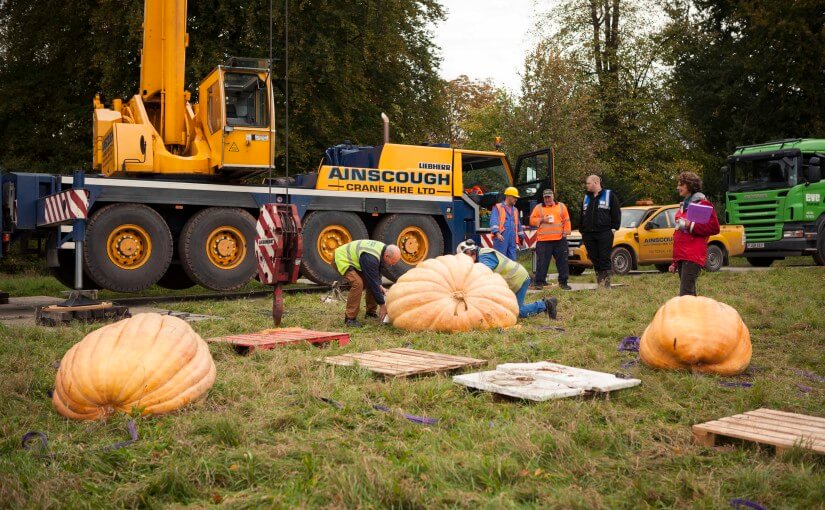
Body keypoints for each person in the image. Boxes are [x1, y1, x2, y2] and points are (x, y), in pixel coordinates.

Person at [456, 239, 557, 320]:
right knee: (504, 309)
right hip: (514, 280)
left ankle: (546, 304)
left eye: (465, 258)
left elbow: (483, 274)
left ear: (469, 252)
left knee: (517, 312)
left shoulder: (484, 256)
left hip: (518, 279)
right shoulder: (481, 255)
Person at [669, 172, 720, 296]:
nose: (678, 187)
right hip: (683, 255)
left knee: (686, 295)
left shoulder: (702, 204)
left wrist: (689, 225)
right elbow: (680, 235)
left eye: (681, 184)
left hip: (692, 256)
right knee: (689, 295)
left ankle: (690, 316)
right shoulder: (684, 205)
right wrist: (675, 262)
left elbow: (714, 228)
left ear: (690, 186)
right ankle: (697, 315)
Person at [333, 240, 401, 327]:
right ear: (387, 256)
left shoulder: (384, 250)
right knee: (358, 284)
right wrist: (383, 305)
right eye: (393, 261)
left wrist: (380, 285)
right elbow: (373, 281)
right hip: (341, 258)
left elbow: (376, 273)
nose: (393, 264)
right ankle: (350, 319)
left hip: (354, 261)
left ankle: (370, 313)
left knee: (373, 284)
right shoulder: (371, 258)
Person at [581, 175, 621, 288]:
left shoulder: (609, 195)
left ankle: (606, 285)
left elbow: (616, 212)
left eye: (588, 183)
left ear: (595, 182)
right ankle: (600, 283)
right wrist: (582, 230)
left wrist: (614, 228)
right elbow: (581, 215)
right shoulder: (586, 197)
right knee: (594, 258)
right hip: (589, 234)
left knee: (604, 258)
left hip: (604, 233)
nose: (586, 185)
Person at [529, 189, 572, 290]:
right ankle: (539, 282)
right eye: (545, 197)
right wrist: (542, 220)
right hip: (543, 240)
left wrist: (566, 233)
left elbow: (567, 220)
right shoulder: (538, 207)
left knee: (562, 262)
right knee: (542, 263)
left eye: (549, 197)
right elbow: (531, 220)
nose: (547, 199)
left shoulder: (561, 206)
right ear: (543, 198)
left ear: (553, 196)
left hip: (560, 239)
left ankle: (563, 283)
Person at [489, 187, 525, 259]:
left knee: (512, 260)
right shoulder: (498, 207)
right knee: (500, 259)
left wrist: (522, 238)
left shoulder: (515, 210)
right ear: (508, 196)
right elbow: (493, 221)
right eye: (514, 197)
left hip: (512, 238)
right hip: (501, 238)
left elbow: (518, 225)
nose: (516, 199)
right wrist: (497, 233)